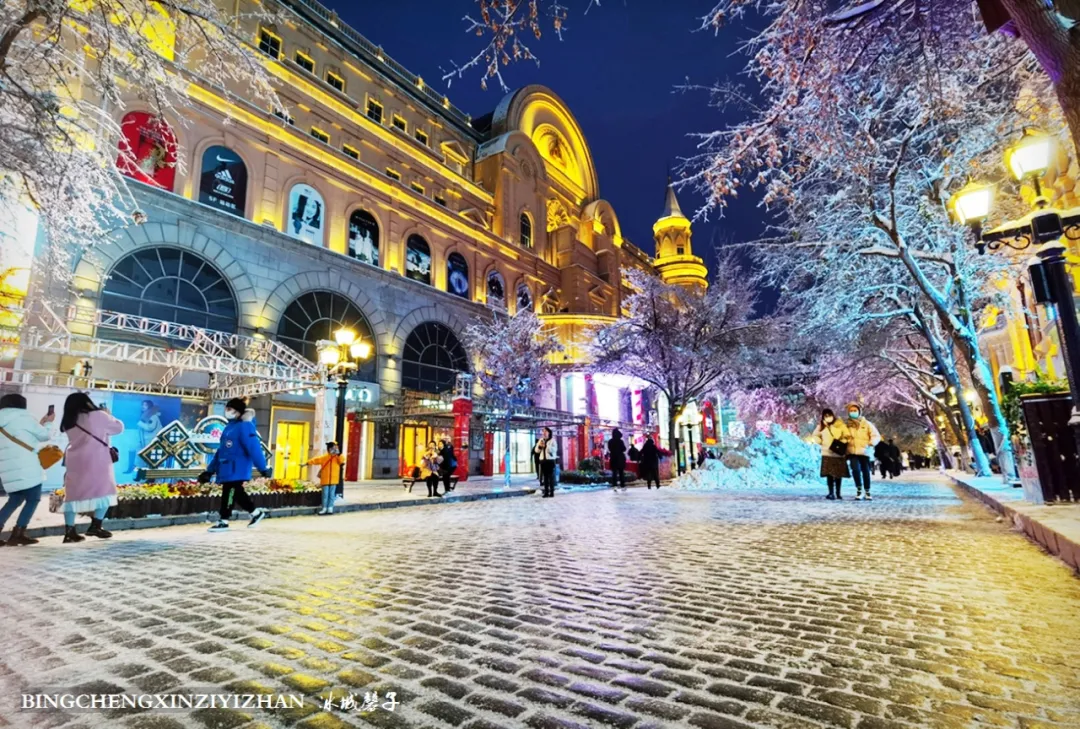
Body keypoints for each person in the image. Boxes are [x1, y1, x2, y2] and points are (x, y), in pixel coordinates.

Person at [59, 393, 124, 542]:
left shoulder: (69, 420)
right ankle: (96, 526)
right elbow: (118, 428)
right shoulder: (99, 415)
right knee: (105, 491)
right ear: (87, 402)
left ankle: (69, 531)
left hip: (75, 459)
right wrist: (109, 415)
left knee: (72, 495)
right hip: (97, 459)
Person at [200, 398, 272, 532]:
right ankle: (256, 513)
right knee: (236, 493)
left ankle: (224, 520)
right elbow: (221, 451)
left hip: (237, 468)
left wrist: (263, 467)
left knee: (230, 492)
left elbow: (253, 447)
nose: (227, 411)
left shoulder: (245, 426)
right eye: (227, 409)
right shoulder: (229, 427)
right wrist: (209, 471)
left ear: (238, 412)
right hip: (227, 468)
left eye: (230, 409)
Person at [0, 394, 54, 546]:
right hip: (28, 466)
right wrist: (48, 423)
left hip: (7, 468)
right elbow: (45, 435)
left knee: (15, 499)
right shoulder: (25, 417)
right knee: (33, 499)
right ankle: (18, 533)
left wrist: (41, 423)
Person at [812, 408, 851, 500]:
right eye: (825, 416)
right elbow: (815, 435)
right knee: (829, 475)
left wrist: (841, 442)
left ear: (833, 415)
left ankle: (838, 493)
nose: (828, 417)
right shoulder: (821, 426)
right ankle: (831, 493)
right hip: (827, 453)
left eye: (829, 415)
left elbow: (847, 435)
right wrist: (821, 441)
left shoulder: (840, 424)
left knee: (838, 474)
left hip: (838, 453)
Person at [845, 403, 881, 500]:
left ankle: (867, 491)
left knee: (866, 471)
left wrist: (871, 443)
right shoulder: (847, 425)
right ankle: (859, 489)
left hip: (865, 451)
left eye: (855, 410)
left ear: (859, 412)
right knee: (855, 470)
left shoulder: (867, 424)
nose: (853, 412)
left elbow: (876, 436)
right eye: (851, 411)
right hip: (852, 452)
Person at [306, 441, 343, 515]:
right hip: (325, 479)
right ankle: (324, 508)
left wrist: (338, 454)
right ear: (328, 449)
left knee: (331, 494)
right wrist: (306, 463)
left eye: (333, 448)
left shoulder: (338, 457)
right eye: (330, 448)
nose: (332, 450)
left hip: (334, 479)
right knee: (325, 495)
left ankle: (330, 508)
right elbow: (316, 460)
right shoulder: (325, 457)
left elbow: (342, 461)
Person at [534, 427, 558, 498]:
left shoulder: (553, 440)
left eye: (545, 431)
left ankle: (552, 492)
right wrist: (540, 446)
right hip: (543, 461)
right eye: (543, 431)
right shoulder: (541, 440)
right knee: (545, 477)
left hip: (550, 461)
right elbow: (536, 451)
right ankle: (546, 492)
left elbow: (554, 450)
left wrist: (546, 446)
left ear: (549, 432)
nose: (544, 433)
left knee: (550, 477)